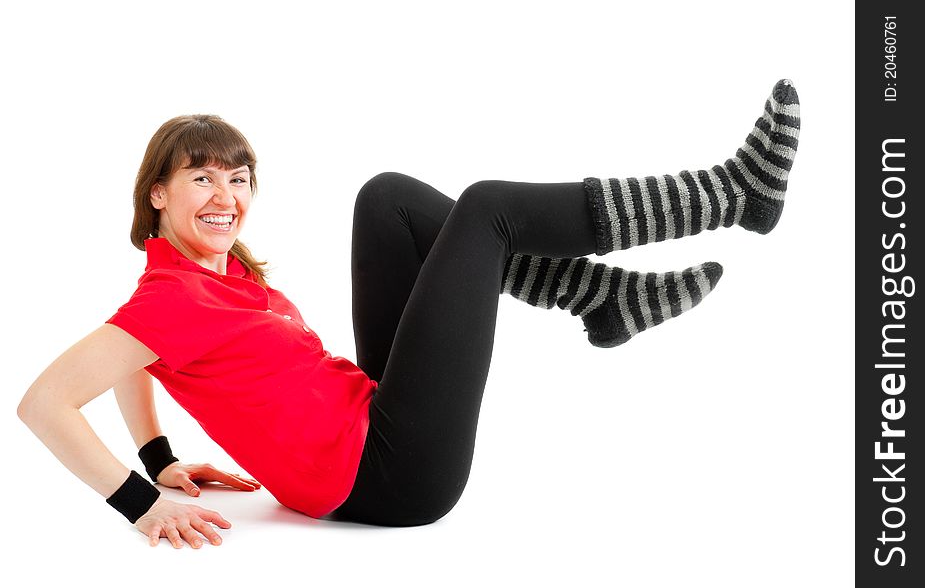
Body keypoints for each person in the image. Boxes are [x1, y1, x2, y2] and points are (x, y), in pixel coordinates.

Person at [17, 79, 800, 548]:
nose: (226, 196)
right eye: (201, 179)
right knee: (489, 209)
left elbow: (137, 359)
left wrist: (160, 456)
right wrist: (141, 503)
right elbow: (43, 403)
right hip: (391, 475)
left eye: (240, 178)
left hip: (369, 421)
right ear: (158, 191)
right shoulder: (172, 297)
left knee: (386, 199)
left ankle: (601, 299)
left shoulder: (199, 286)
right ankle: (728, 195)